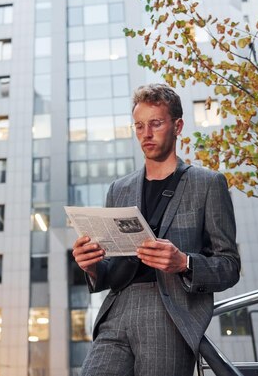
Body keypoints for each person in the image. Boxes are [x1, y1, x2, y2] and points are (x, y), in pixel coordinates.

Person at [72, 84, 241, 376]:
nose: (146, 134)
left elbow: (229, 266)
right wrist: (92, 266)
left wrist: (184, 263)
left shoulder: (208, 184)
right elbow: (113, 266)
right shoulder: (118, 189)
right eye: (139, 126)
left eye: (155, 124)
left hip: (169, 313)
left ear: (178, 126)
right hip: (117, 308)